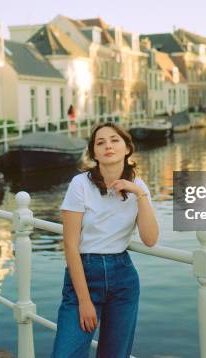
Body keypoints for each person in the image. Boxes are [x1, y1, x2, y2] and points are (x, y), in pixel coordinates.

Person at [51, 122, 159, 358]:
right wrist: (84, 300)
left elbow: (150, 239)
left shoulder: (138, 186)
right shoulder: (80, 184)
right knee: (66, 353)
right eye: (100, 143)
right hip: (84, 272)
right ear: (94, 154)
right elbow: (70, 245)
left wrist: (139, 194)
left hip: (123, 277)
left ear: (127, 148)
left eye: (114, 140)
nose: (108, 145)